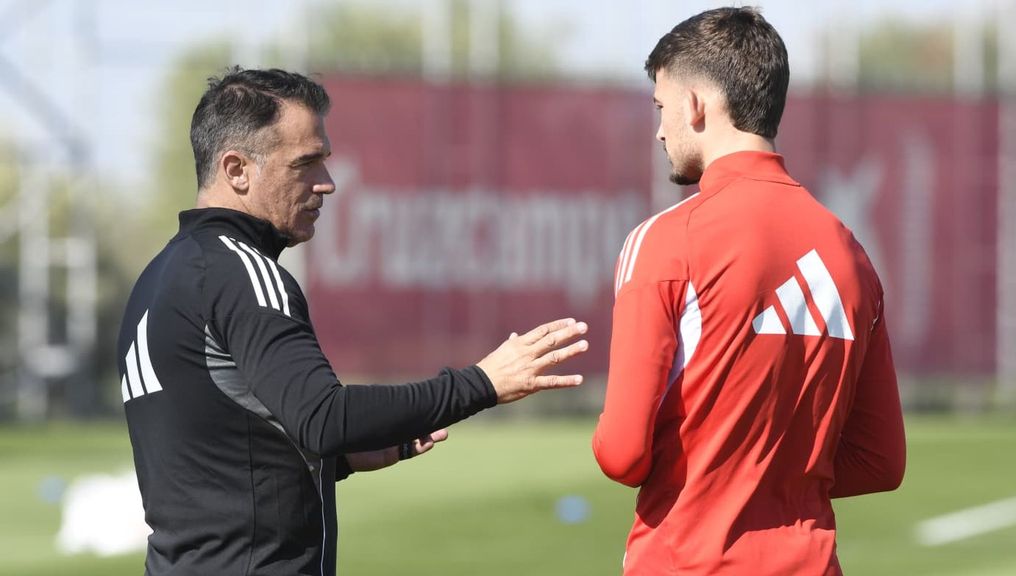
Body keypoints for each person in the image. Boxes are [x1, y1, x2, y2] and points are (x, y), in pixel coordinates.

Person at [116, 67, 589, 576]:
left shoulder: (160, 278)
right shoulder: (242, 272)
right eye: (307, 163)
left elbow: (212, 452)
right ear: (237, 170)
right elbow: (324, 418)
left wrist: (334, 464)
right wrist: (482, 383)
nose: (328, 183)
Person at [592, 7, 905, 575]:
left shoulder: (666, 241)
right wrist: (778, 479)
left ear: (694, 105)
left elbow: (622, 453)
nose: (660, 129)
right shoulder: (853, 255)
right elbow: (881, 462)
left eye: (661, 108)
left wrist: (721, 475)